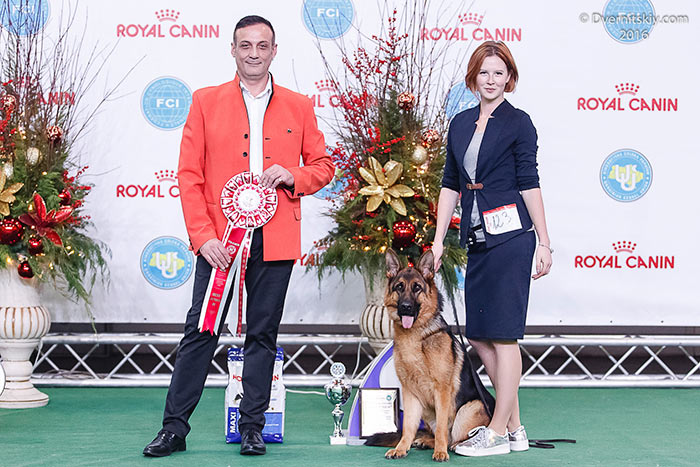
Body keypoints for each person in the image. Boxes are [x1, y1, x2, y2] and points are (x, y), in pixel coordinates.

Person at [143, 15, 334, 457]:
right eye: (245, 45)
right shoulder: (205, 101)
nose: (254, 53)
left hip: (276, 238)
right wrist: (202, 236)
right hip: (219, 241)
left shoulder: (299, 105)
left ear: (274, 51)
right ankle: (173, 429)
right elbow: (189, 176)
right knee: (201, 331)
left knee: (262, 335)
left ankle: (252, 427)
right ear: (232, 50)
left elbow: (324, 166)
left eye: (262, 46)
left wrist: (293, 174)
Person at [431, 41, 552, 457]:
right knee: (480, 336)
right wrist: (438, 240)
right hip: (478, 238)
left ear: (509, 78)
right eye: (484, 72)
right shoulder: (460, 123)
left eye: (499, 73)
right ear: (473, 77)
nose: (491, 80)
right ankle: (515, 428)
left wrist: (544, 241)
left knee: (504, 336)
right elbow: (450, 184)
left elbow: (529, 182)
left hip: (512, 239)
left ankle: (497, 431)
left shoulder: (519, 123)